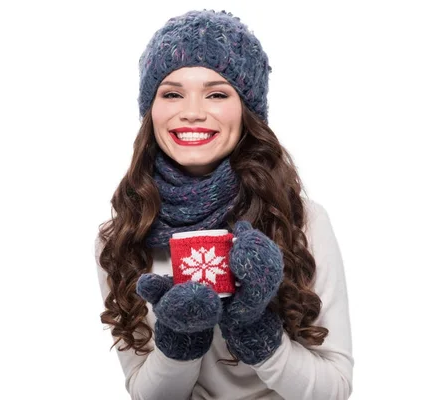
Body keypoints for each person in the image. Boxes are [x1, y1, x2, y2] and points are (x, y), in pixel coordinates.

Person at [95, 9, 353, 400]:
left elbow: (334, 388)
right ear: (152, 111)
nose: (193, 111)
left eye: (217, 93)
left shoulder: (299, 220)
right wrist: (179, 342)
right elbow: (146, 394)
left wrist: (258, 334)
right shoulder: (124, 235)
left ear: (246, 110)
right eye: (172, 93)